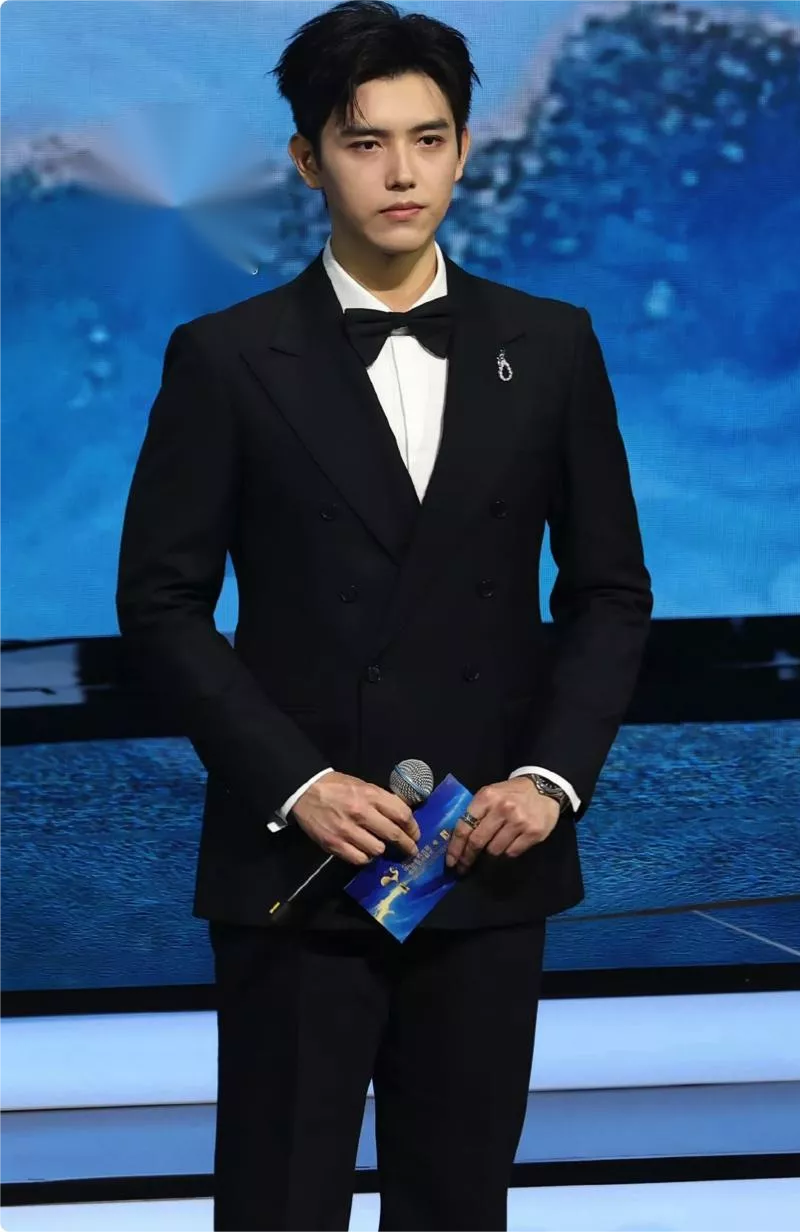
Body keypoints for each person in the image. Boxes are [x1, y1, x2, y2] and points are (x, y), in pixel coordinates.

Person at [115, 1, 653, 1228]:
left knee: (459, 1203)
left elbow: (610, 589)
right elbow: (161, 601)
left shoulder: (552, 345)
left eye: (428, 138)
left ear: (463, 150)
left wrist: (549, 780)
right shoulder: (225, 356)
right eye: (364, 142)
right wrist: (296, 781)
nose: (401, 172)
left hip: (485, 851)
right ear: (307, 159)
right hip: (300, 862)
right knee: (277, 1203)